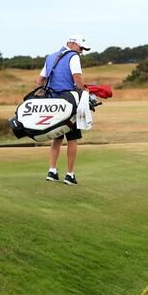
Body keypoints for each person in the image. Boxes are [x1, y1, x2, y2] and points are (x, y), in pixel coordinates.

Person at [37, 35, 91, 185]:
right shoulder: (73, 56)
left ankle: (52, 171)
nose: (81, 52)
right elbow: (78, 79)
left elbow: (39, 81)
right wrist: (84, 91)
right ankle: (70, 175)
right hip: (69, 102)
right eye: (81, 48)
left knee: (58, 136)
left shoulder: (51, 57)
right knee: (72, 138)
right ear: (73, 44)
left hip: (53, 104)